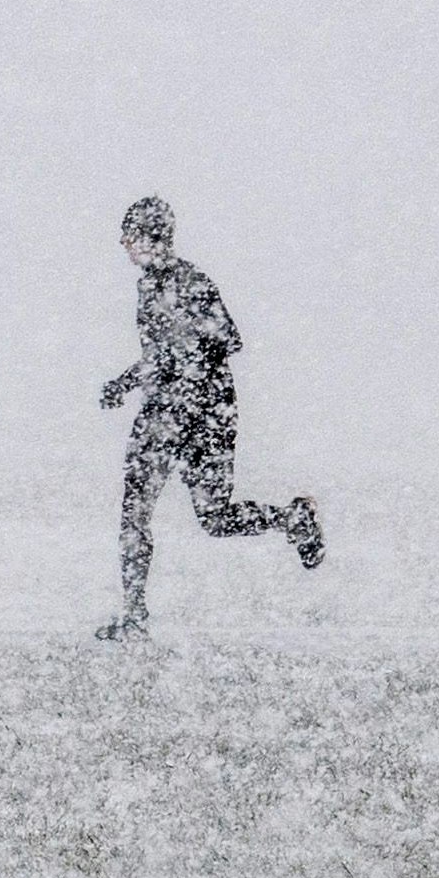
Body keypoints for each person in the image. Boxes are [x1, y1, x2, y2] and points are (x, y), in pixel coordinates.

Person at [95, 197, 320, 639]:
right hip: (173, 411)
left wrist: (166, 367)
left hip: (198, 413)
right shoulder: (151, 285)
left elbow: (226, 339)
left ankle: (292, 519)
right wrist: (135, 378)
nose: (123, 243)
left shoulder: (190, 282)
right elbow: (166, 353)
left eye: (129, 234)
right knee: (136, 514)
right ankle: (134, 616)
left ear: (151, 238)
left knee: (212, 518)